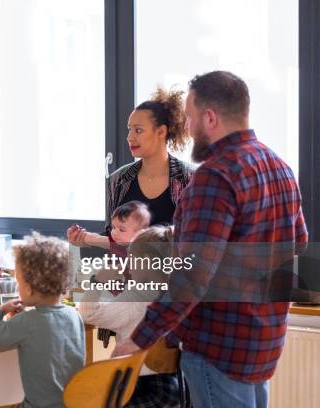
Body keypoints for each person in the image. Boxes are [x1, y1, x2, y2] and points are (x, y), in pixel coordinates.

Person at [115, 71, 308, 408]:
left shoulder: (214, 176)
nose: (188, 128)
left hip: (219, 346)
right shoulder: (279, 167)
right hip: (263, 341)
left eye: (190, 118)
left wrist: (140, 338)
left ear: (210, 118)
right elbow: (298, 242)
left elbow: (192, 275)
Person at [68, 87, 194, 249]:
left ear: (161, 131)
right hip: (126, 273)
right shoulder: (118, 180)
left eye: (138, 130)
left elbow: (194, 242)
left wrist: (93, 239)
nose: (130, 137)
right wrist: (84, 240)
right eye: (129, 129)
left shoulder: (190, 178)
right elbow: (113, 236)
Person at [0, 233, 85, 408]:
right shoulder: (74, 315)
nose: (17, 287)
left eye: (18, 282)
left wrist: (1, 310)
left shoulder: (28, 321)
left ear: (29, 288)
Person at [79, 225, 180, 408]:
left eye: (131, 259)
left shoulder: (135, 298)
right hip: (176, 388)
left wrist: (98, 280)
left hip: (137, 390)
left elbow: (88, 313)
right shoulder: (176, 297)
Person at [73, 200, 151, 257]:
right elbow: (97, 238)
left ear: (140, 233)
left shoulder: (143, 251)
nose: (114, 232)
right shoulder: (116, 241)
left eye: (122, 229)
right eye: (113, 227)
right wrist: (82, 235)